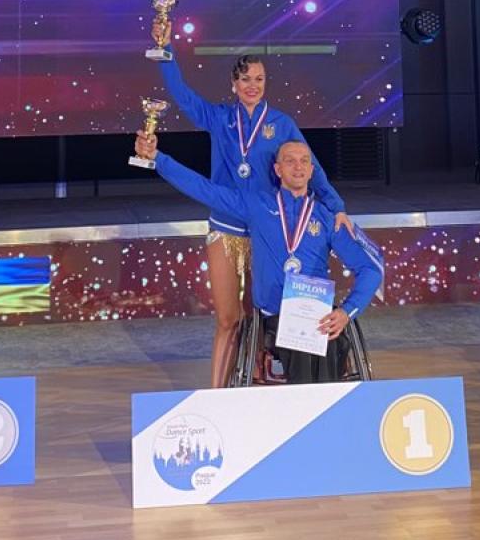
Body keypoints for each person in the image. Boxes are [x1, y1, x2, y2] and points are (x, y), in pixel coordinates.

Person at [151, 23, 352, 387]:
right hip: (227, 226)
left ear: (265, 84)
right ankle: (217, 395)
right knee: (228, 318)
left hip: (270, 228)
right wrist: (166, 49)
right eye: (245, 79)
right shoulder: (220, 118)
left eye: (259, 79)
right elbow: (181, 94)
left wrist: (335, 205)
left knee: (262, 313)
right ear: (233, 84)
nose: (252, 85)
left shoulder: (281, 123)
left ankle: (259, 376)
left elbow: (311, 166)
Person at [135, 132, 381, 384]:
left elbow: (370, 269)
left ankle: (320, 412)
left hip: (319, 313)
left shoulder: (328, 218)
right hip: (277, 314)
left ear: (311, 170)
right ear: (277, 169)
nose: (298, 166)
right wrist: (156, 157)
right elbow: (204, 189)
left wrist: (346, 311)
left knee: (330, 341)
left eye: (304, 161)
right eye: (290, 161)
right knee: (306, 347)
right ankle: (315, 412)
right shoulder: (256, 205)